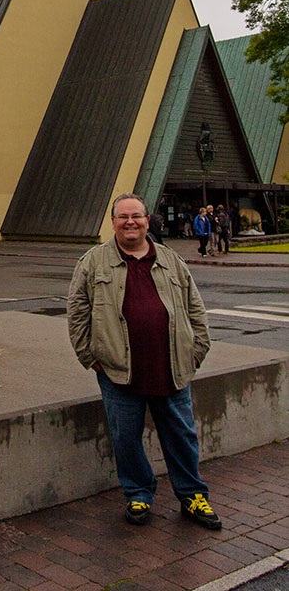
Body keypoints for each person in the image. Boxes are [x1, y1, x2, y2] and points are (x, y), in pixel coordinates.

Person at [67, 193, 221, 530]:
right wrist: (92, 358)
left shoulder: (170, 259)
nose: (130, 222)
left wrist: (195, 352)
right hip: (120, 373)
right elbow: (77, 313)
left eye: (136, 216)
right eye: (123, 217)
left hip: (171, 368)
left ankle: (192, 495)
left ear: (147, 220)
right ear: (113, 222)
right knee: (126, 438)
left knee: (181, 436)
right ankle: (138, 493)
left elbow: (195, 309)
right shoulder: (93, 262)